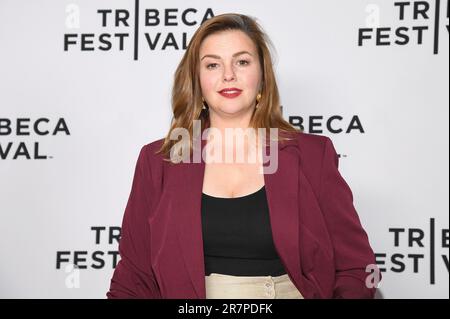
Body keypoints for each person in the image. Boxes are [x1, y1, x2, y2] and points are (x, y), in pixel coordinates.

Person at [107, 13, 380, 299]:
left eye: (242, 61)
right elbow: (134, 276)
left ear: (262, 76)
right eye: (213, 64)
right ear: (197, 81)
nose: (228, 75)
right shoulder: (158, 161)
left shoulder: (312, 155)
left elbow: (356, 268)